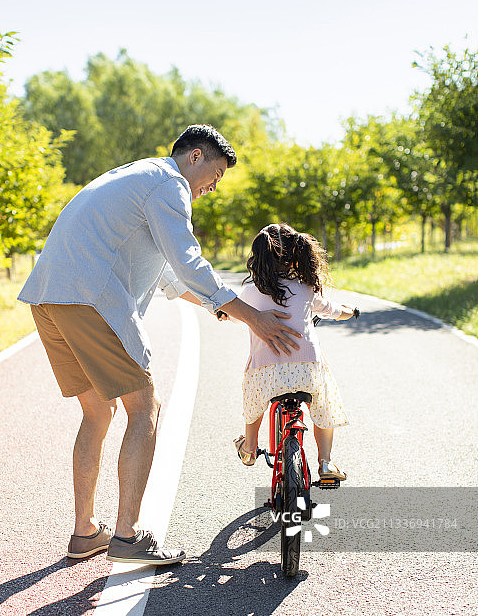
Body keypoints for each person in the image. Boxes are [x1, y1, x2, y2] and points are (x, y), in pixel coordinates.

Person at [18, 125, 301, 566]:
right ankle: (129, 538)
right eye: (216, 173)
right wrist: (255, 318)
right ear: (195, 157)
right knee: (144, 407)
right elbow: (188, 262)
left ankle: (85, 532)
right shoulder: (170, 185)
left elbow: (169, 275)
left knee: (98, 411)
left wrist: (219, 307)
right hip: (91, 297)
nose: (213, 186)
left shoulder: (140, 178)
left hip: (50, 296)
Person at [233, 223, 355, 481]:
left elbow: (234, 314)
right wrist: (351, 311)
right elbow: (334, 311)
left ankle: (250, 448)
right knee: (323, 406)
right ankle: (325, 463)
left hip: (264, 374)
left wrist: (224, 314)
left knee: (254, 404)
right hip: (307, 372)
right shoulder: (307, 288)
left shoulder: (250, 292)